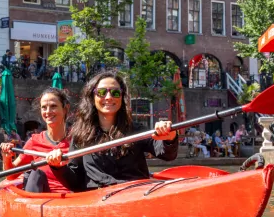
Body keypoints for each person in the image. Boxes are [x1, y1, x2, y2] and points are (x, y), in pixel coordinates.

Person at [50, 71, 178, 191]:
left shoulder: (136, 130)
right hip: (98, 201)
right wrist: (58, 167)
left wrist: (169, 137)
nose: (109, 97)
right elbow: (75, 183)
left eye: (115, 93)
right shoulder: (80, 135)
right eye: (101, 92)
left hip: (134, 196)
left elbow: (167, 154)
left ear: (122, 98)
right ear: (92, 97)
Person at [1, 87, 72, 193]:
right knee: (35, 173)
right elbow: (11, 176)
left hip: (72, 198)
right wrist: (6, 158)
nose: (48, 111)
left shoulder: (78, 140)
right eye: (44, 107)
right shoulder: (34, 141)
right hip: (41, 198)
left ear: (65, 109)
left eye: (53, 106)